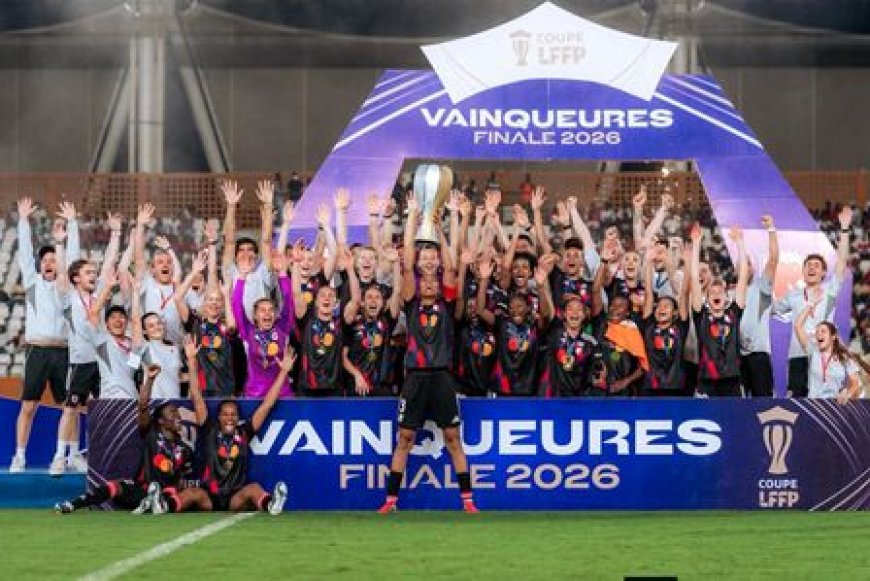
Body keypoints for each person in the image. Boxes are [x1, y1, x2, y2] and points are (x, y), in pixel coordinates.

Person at [377, 193, 478, 514]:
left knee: (453, 438)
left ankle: (468, 501)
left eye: (435, 273)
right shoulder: (410, 301)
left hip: (443, 378)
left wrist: (441, 229)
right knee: (405, 438)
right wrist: (412, 217)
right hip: (415, 378)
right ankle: (390, 501)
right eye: (426, 271)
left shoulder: (447, 304)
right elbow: (407, 263)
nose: (431, 279)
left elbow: (451, 268)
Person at [55, 364, 206, 514]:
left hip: (165, 493)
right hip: (143, 489)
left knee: (173, 491)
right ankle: (73, 504)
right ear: (161, 421)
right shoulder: (151, 432)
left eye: (177, 413)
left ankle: (158, 504)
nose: (178, 416)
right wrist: (150, 380)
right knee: (115, 486)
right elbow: (142, 405)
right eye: (172, 412)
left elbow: (180, 478)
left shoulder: (185, 447)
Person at [10, 198, 80, 473]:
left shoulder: (67, 287)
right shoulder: (32, 283)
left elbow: (73, 258)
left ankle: (72, 455)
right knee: (29, 406)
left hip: (63, 351)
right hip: (37, 351)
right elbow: (24, 253)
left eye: (54, 259)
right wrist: (23, 221)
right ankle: (19, 456)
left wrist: (72, 224)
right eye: (46, 260)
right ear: (40, 265)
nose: (50, 262)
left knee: (70, 407)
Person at [182, 337, 289, 514]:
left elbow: (267, 405)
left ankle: (271, 505)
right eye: (225, 414)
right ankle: (164, 505)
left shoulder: (244, 431)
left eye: (233, 414)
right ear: (218, 417)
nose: (229, 418)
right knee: (192, 493)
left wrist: (283, 372)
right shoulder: (209, 429)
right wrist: (192, 361)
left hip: (234, 497)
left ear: (238, 417)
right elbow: (197, 397)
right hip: (209, 495)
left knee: (254, 489)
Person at [49, 211, 121, 475]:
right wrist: (59, 243)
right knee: (70, 409)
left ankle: (89, 455)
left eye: (94, 272)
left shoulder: (98, 292)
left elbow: (110, 260)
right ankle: (59, 457)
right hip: (80, 362)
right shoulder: (67, 297)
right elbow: (61, 275)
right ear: (76, 278)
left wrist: (116, 233)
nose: (94, 275)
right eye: (88, 272)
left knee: (102, 410)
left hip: (102, 362)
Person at [774, 206, 852, 397]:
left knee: (823, 399)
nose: (811, 268)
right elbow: (773, 309)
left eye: (816, 266)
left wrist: (844, 229)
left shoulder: (829, 292)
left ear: (823, 273)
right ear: (803, 271)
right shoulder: (792, 295)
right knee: (798, 402)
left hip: (822, 354)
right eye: (808, 265)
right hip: (798, 355)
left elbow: (841, 262)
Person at [476, 254, 555, 396]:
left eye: (525, 267)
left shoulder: (535, 313)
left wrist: (541, 286)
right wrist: (484, 280)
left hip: (529, 383)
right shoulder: (502, 303)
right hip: (502, 383)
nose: (516, 310)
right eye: (516, 267)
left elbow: (546, 316)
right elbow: (481, 311)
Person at [690, 223, 749, 397]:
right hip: (706, 380)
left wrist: (740, 243)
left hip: (732, 380)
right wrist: (696, 244)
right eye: (712, 292)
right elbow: (694, 279)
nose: (716, 294)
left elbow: (743, 277)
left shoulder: (733, 313)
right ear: (707, 298)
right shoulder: (701, 315)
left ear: (726, 297)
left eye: (720, 292)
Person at [232, 251, 294, 398]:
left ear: (275, 314)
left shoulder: (282, 328)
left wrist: (282, 274)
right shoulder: (248, 332)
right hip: (255, 395)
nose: (267, 313)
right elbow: (237, 307)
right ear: (255, 315)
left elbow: (288, 301)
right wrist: (241, 278)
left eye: (271, 310)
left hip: (282, 394)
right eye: (262, 310)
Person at [175, 251, 237, 397]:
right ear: (204, 303)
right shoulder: (195, 323)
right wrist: (194, 273)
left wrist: (226, 297)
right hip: (201, 390)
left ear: (222, 305)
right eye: (210, 299)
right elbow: (177, 298)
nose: (214, 303)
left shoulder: (225, 326)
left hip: (225, 390)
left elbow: (232, 327)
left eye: (218, 300)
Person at [342, 246, 402, 397]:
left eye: (371, 258)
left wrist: (396, 263)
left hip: (381, 384)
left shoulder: (386, 319)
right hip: (355, 385)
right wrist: (349, 270)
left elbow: (397, 292)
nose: (373, 301)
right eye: (363, 257)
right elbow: (354, 301)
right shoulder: (347, 289)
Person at [640, 245, 691, 396]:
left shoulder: (680, 328)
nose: (661, 308)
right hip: (651, 387)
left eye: (667, 306)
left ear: (675, 313)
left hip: (676, 388)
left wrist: (687, 263)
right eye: (659, 306)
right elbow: (649, 293)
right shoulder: (649, 326)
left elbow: (684, 294)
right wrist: (649, 262)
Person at [739, 215, 779, 397]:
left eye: (747, 263)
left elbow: (773, 260)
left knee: (763, 404)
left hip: (758, 355)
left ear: (753, 269)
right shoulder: (728, 294)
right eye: (740, 264)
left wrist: (771, 229)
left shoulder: (761, 288)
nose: (743, 267)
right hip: (736, 358)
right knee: (736, 406)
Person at [794, 310, 868, 402]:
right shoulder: (813, 350)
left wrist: (847, 394)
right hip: (814, 404)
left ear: (833, 337)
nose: (819, 334)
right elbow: (797, 326)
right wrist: (810, 306)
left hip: (834, 405)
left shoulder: (844, 357)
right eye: (817, 332)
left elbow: (855, 383)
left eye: (823, 331)